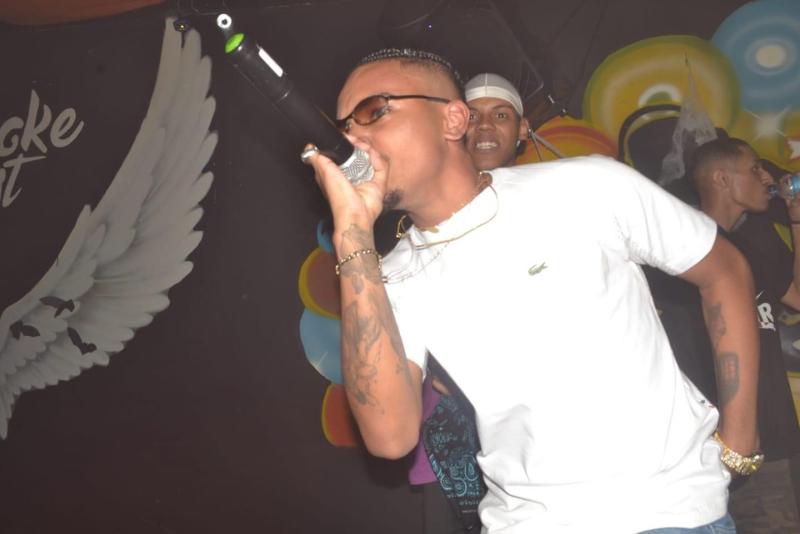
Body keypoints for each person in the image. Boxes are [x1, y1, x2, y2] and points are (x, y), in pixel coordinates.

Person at [303, 48, 760, 533]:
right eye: (344, 127)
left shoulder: (585, 186)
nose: (353, 138)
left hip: (665, 514)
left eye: (374, 110)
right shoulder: (392, 275)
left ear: (452, 118)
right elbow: (390, 438)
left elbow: (725, 271)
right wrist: (352, 234)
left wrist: (740, 440)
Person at [407, 73, 529, 534]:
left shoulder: (550, 198)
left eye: (501, 115)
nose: (485, 127)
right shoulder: (422, 213)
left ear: (523, 128)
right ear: (455, 125)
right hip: (451, 438)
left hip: (542, 436)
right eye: (473, 115)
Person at [686, 138, 800, 532]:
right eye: (754, 168)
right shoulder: (683, 247)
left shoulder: (755, 241)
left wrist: (797, 222)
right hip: (709, 452)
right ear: (722, 179)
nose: (767, 178)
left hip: (773, 440)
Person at [463, 73, 530, 171]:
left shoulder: (549, 179)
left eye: (500, 115)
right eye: (471, 117)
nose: (484, 125)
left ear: (522, 129)